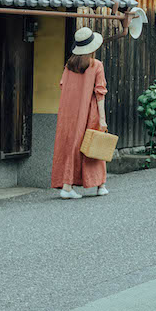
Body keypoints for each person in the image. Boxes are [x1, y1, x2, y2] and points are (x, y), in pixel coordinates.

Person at [50, 26, 110, 199]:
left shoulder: (69, 66)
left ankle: (67, 186)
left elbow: (63, 86)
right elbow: (100, 93)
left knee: (70, 147)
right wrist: (102, 118)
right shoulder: (96, 65)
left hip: (68, 113)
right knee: (95, 146)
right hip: (89, 111)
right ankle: (100, 185)